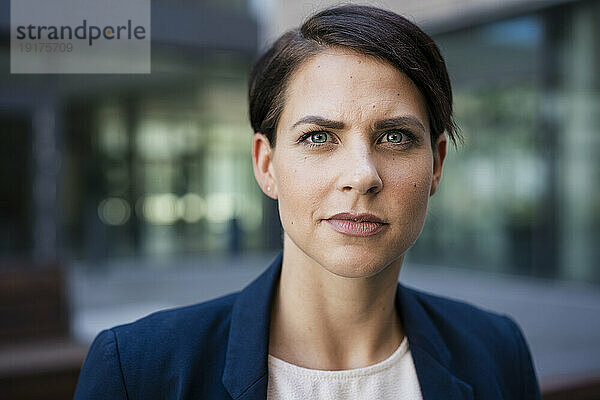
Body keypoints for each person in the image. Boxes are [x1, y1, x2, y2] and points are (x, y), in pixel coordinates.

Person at [74, 5, 541, 399]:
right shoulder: (138, 372)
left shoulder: (497, 351)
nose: (362, 175)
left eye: (396, 136)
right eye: (319, 136)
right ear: (266, 165)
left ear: (436, 164)